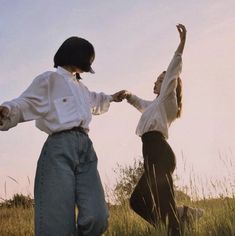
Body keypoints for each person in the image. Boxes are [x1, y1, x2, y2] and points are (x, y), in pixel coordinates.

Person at [0, 36, 125, 236]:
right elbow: (25, 102)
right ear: (72, 57)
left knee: (97, 217)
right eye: (86, 63)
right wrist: (6, 110)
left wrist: (112, 97)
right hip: (59, 148)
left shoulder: (82, 88)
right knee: (56, 225)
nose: (86, 69)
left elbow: (96, 100)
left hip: (86, 149)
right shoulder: (49, 79)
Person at [120, 24, 187, 236]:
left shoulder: (168, 100)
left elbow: (173, 72)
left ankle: (175, 226)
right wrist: (128, 95)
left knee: (164, 203)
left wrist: (181, 44)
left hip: (160, 153)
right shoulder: (154, 105)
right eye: (158, 79)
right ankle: (177, 221)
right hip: (150, 153)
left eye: (160, 80)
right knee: (137, 201)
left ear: (169, 84)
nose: (156, 82)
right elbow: (140, 103)